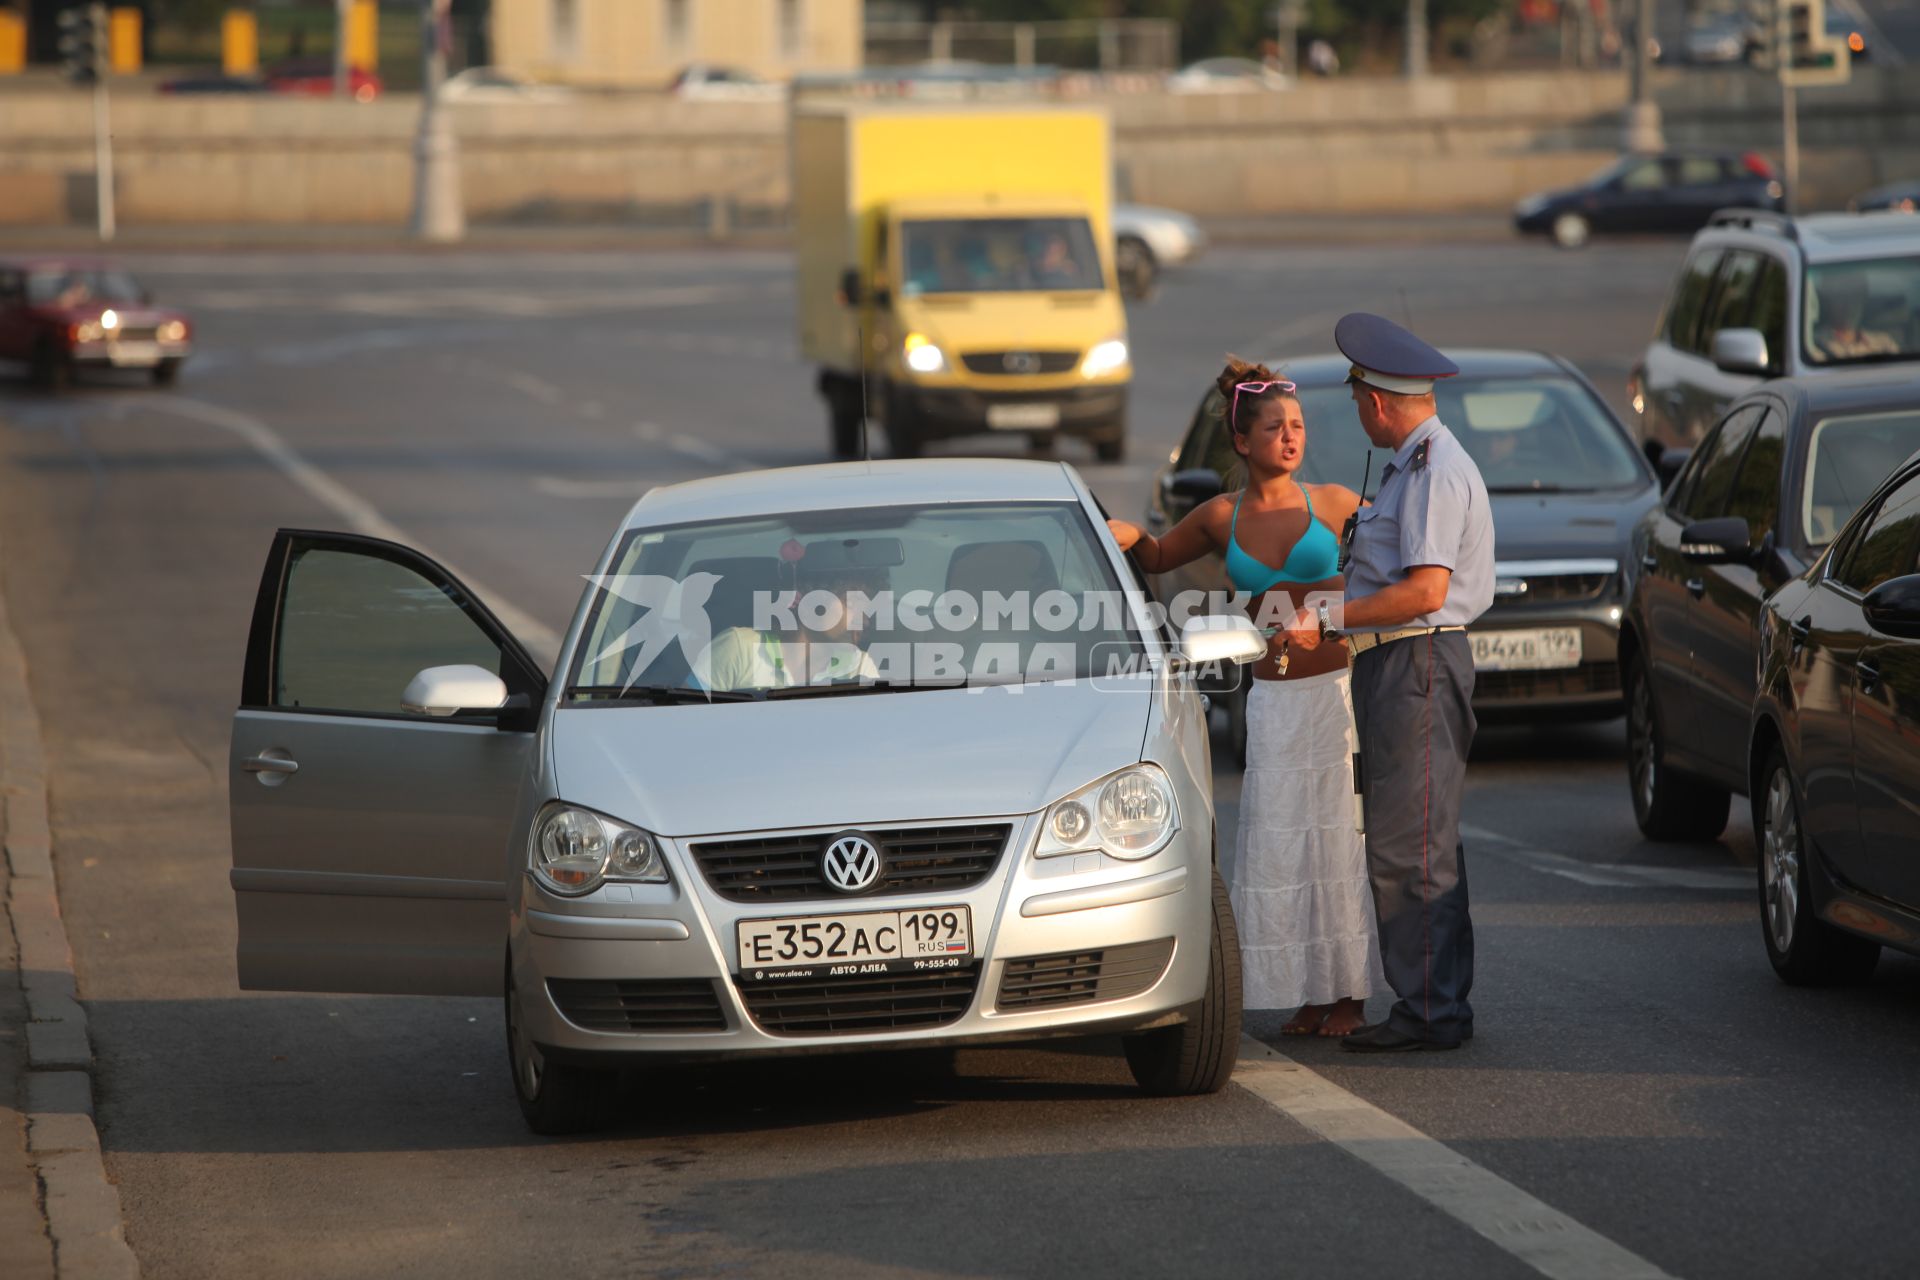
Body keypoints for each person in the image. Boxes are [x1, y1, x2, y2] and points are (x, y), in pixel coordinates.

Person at [1108, 357, 1382, 1038]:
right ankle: (1307, 994)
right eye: (1274, 427)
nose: (1290, 437)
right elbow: (1158, 557)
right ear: (1242, 441)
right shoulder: (1218, 515)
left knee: (1337, 844)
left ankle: (1348, 995)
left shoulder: (1340, 502)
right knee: (1281, 841)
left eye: (1296, 426)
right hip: (1272, 698)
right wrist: (1126, 535)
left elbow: (1397, 566)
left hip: (1335, 693)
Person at [1284, 313, 1494, 1053]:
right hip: (1400, 662)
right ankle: (1434, 1003)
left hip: (1418, 660)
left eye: (1356, 402)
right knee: (1419, 840)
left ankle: (1431, 1011)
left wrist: (1332, 617)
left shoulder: (1434, 471)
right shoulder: (1415, 465)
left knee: (1411, 848)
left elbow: (1424, 592)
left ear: (1376, 402)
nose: (1357, 413)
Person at [702, 547, 882, 692]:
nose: (864, 621)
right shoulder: (739, 648)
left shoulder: (858, 666)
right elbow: (685, 719)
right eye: (851, 605)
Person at [1810, 270, 1900, 361]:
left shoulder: (1884, 344)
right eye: (1841, 297)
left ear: (1863, 300)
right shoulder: (1812, 345)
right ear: (1828, 301)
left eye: (1854, 296)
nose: (1848, 305)